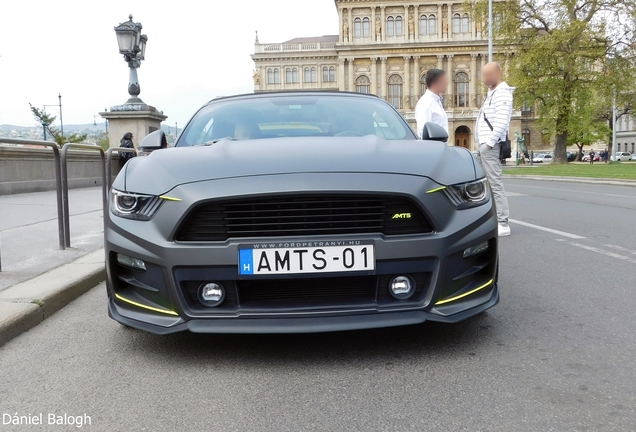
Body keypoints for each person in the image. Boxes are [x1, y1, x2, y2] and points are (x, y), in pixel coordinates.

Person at [475, 62, 513, 237]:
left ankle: (503, 223)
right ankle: (491, 219)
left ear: (498, 73)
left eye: (488, 75)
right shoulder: (491, 92)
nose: (485, 79)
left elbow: (502, 120)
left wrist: (489, 143)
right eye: (483, 75)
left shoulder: (502, 93)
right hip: (484, 145)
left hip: (490, 145)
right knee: (484, 184)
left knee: (495, 184)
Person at [415, 69, 449, 137]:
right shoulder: (426, 102)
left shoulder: (436, 101)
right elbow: (423, 131)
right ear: (435, 83)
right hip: (434, 146)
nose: (447, 83)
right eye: (444, 81)